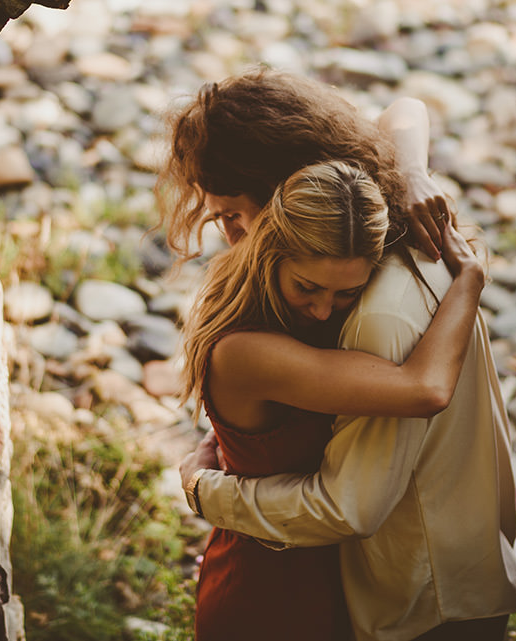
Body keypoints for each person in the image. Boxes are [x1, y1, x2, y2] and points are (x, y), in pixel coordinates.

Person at [163, 68, 516, 641]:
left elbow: (355, 497)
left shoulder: (371, 310)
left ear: (289, 194)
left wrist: (202, 488)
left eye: (236, 215)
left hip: (416, 590)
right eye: (222, 219)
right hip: (324, 580)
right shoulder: (403, 250)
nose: (230, 237)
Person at [180, 159, 489, 641]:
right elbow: (426, 389)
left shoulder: (278, 311)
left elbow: (403, 111)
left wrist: (410, 174)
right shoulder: (246, 349)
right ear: (270, 250)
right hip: (265, 595)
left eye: (348, 293)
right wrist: (468, 279)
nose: (324, 309)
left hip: (328, 581)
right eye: (308, 287)